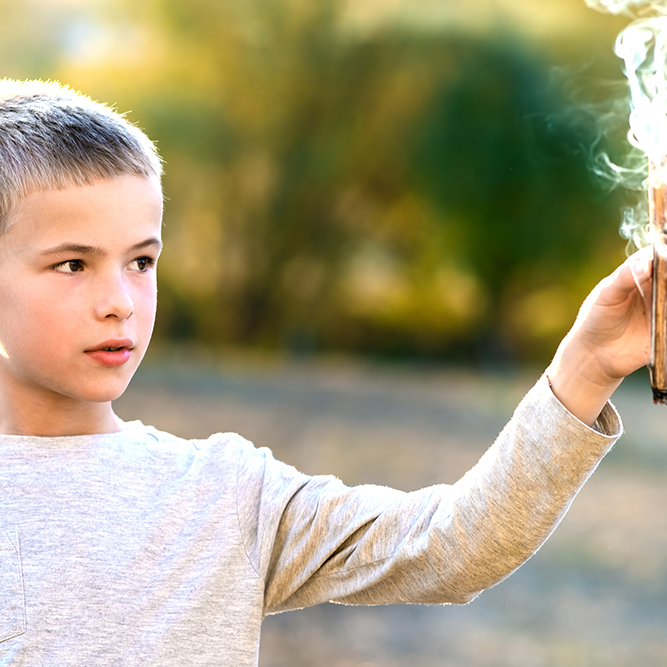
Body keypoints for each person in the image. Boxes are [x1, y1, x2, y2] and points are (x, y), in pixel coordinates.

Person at [0, 78, 652, 666]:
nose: (119, 300)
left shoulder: (226, 495)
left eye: (140, 261)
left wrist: (588, 364)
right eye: (72, 264)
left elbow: (453, 547)